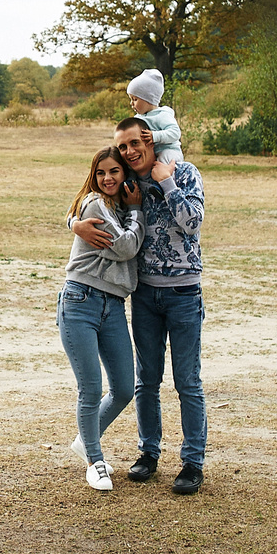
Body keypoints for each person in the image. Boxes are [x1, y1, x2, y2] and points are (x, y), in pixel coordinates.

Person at [78, 115, 207, 494]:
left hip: (184, 293)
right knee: (145, 382)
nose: (130, 151)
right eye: (123, 146)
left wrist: (166, 180)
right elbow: (89, 197)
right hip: (146, 295)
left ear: (149, 140)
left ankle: (192, 461)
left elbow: (193, 222)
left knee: (188, 382)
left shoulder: (184, 173)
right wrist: (73, 223)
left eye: (135, 143)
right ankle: (148, 453)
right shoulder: (127, 185)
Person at [56, 145, 143, 494]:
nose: (108, 178)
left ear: (125, 174)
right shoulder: (96, 204)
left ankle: (85, 439)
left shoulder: (119, 206)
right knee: (90, 388)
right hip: (80, 301)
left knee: (123, 387)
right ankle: (95, 461)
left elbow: (72, 213)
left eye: (115, 172)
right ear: (94, 176)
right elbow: (125, 248)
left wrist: (71, 222)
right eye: (101, 172)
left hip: (114, 305)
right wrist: (136, 211)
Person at [127, 69, 184, 166]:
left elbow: (175, 133)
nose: (131, 103)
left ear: (149, 99)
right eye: (131, 99)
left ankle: (166, 179)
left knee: (162, 161)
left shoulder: (162, 115)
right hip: (151, 154)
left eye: (135, 99)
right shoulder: (138, 118)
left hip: (169, 151)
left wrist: (155, 136)